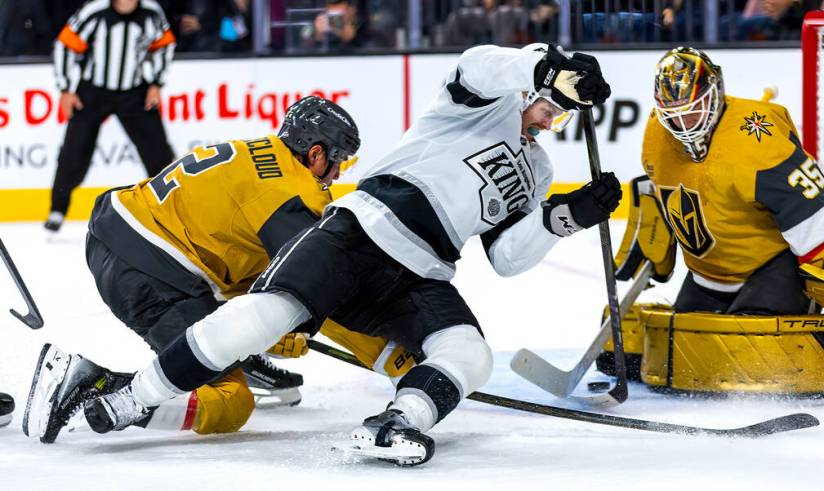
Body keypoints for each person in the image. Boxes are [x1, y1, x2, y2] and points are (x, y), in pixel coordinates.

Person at [28, 42, 616, 466]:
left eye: (564, 111)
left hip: (424, 267)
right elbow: (474, 65)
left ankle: (400, 421)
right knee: (269, 323)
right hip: (362, 225)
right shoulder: (475, 104)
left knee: (469, 352)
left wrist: (567, 217)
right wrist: (546, 63)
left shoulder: (539, 167)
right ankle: (132, 396)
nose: (555, 115)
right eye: (549, 99)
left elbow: (508, 257)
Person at [22, 96, 362, 444]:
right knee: (232, 403)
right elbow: (322, 286)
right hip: (150, 271)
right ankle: (94, 387)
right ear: (316, 154)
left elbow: (246, 273)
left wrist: (256, 335)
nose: (337, 174)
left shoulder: (257, 152)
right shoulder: (292, 193)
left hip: (116, 229)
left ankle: (238, 357)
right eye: (338, 162)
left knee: (249, 295)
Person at [614, 47, 824, 349]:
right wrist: (653, 235)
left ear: (714, 94)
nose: (684, 124)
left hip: (773, 267)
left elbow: (810, 212)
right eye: (673, 116)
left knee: (749, 350)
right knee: (686, 347)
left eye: (693, 109)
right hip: (708, 274)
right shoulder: (656, 134)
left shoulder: (758, 141)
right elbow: (665, 189)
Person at [45, 0, 176, 232]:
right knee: (74, 152)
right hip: (93, 92)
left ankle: (174, 208)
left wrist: (156, 83)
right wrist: (65, 89)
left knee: (158, 152)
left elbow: (164, 45)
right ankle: (58, 208)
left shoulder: (151, 13)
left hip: (134, 92)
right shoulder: (94, 11)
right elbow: (65, 45)